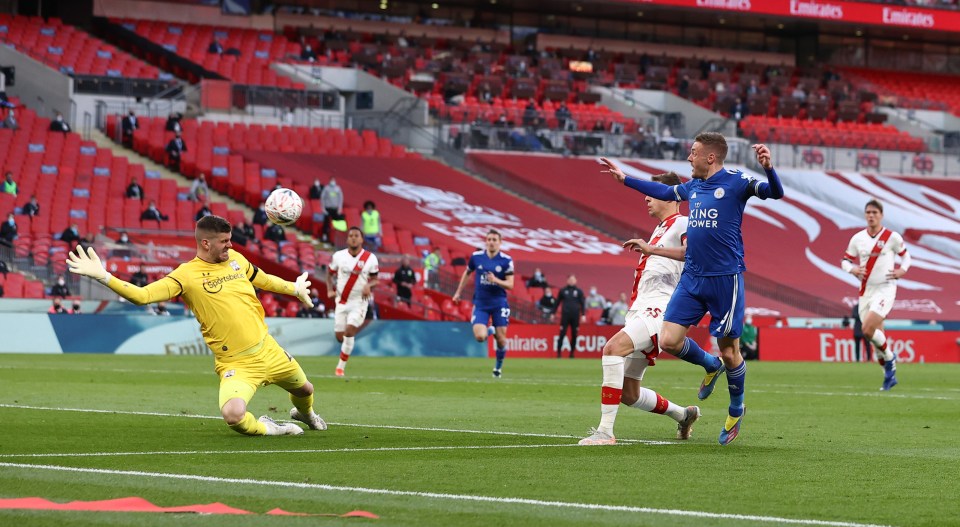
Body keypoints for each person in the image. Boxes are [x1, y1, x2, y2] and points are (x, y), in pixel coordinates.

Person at [599, 133, 784, 446]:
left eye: (694, 153)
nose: (689, 158)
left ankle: (737, 407)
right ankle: (709, 366)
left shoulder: (737, 181)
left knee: (729, 350)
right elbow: (663, 190)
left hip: (726, 278)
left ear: (710, 157)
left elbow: (774, 193)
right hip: (693, 278)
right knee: (669, 339)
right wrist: (625, 179)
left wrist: (768, 168)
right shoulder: (693, 187)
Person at [66, 215, 325, 436]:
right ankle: (272, 428)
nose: (229, 245)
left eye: (229, 239)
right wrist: (105, 277)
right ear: (205, 243)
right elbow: (142, 296)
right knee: (234, 416)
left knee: (305, 389)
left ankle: (307, 415)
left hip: (268, 349)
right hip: (237, 363)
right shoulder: (186, 275)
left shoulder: (235, 258)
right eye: (224, 241)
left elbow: (263, 279)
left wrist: (294, 289)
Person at [580, 171, 700, 446]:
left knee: (612, 348)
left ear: (670, 196)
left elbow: (693, 253)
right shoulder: (661, 228)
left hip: (660, 309)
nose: (646, 197)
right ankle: (684, 415)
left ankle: (605, 431)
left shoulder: (684, 223)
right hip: (641, 309)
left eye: (652, 192)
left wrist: (653, 252)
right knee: (629, 394)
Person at [842, 199, 910, 390]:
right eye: (868, 212)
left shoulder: (891, 237)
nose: (871, 215)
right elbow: (845, 260)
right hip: (866, 292)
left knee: (866, 329)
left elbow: (906, 255)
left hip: (886, 288)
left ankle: (890, 359)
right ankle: (889, 376)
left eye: (875, 212)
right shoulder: (858, 238)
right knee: (874, 337)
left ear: (881, 215)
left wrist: (902, 270)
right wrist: (852, 269)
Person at [452, 229, 514, 378]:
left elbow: (510, 285)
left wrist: (496, 281)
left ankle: (498, 369)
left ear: (500, 242)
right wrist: (458, 292)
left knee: (501, 340)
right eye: (489, 239)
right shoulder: (476, 257)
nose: (491, 242)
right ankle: (489, 331)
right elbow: (467, 273)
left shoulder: (506, 260)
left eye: (494, 240)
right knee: (480, 337)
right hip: (481, 303)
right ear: (486, 241)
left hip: (499, 303)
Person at [326, 227, 379, 377]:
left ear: (362, 239)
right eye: (351, 236)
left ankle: (340, 368)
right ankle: (346, 347)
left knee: (350, 331)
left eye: (356, 236)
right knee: (339, 336)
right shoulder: (338, 256)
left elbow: (376, 279)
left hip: (359, 302)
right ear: (347, 239)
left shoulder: (370, 258)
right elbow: (329, 274)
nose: (353, 238)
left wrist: (369, 285)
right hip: (341, 302)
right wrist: (329, 289)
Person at [555, 274, 585, 358]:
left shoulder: (579, 291)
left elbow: (582, 304)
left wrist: (583, 314)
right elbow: (557, 302)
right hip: (565, 316)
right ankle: (559, 353)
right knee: (562, 334)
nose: (571, 281)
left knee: (574, 335)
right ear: (567, 281)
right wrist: (553, 313)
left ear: (576, 281)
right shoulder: (563, 291)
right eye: (570, 279)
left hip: (575, 316)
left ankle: (572, 353)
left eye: (573, 279)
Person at [320, 177, 344, 242]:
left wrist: (340, 208)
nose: (332, 181)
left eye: (333, 180)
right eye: (331, 180)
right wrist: (323, 208)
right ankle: (324, 236)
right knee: (326, 223)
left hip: (335, 209)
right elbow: (322, 198)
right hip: (328, 208)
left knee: (337, 223)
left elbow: (340, 199)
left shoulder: (338, 188)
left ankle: (337, 237)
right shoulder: (326, 188)